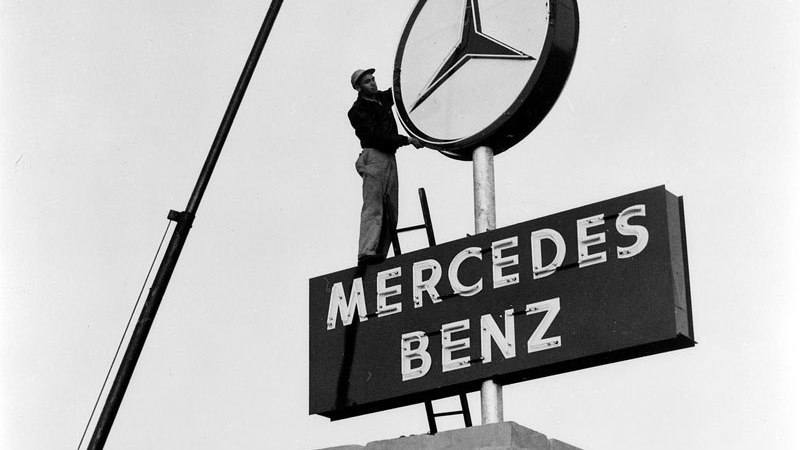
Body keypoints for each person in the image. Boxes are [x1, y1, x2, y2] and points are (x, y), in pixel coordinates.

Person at [348, 68, 422, 266]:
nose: (372, 83)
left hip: (389, 156)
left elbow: (399, 90)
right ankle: (366, 252)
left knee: (391, 208)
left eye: (373, 79)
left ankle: (379, 255)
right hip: (374, 156)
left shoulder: (381, 98)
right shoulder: (357, 110)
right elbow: (376, 137)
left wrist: (402, 70)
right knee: (374, 206)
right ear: (358, 88)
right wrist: (407, 139)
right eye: (367, 81)